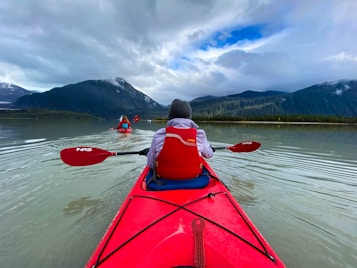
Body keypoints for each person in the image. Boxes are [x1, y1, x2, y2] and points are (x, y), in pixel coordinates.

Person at [143, 99, 214, 181]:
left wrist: (148, 153)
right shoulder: (200, 135)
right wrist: (211, 149)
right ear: (189, 117)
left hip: (163, 179)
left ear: (170, 116)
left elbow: (151, 164)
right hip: (194, 178)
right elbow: (208, 155)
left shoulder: (159, 134)